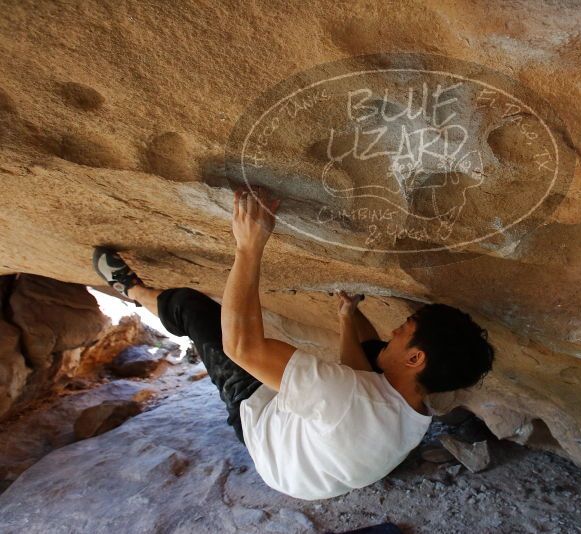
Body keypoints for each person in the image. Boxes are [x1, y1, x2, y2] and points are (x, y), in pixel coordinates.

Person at [92, 186, 494, 500]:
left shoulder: (346, 397)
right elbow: (363, 370)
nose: (393, 331)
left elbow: (242, 347)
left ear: (416, 356)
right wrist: (346, 318)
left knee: (195, 311)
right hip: (321, 471)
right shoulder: (414, 406)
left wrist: (249, 246)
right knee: (368, 359)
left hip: (271, 447)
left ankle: (132, 289)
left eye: (404, 329)